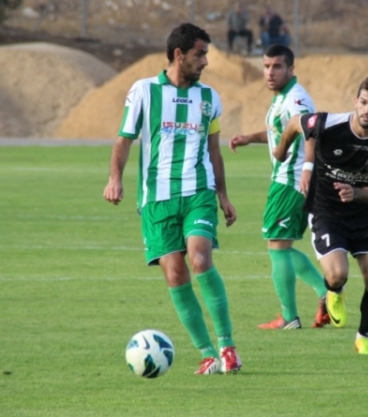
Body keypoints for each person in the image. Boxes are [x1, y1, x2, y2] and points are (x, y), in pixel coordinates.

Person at [103, 23, 242, 375]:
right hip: (156, 199)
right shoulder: (143, 91)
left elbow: (214, 150)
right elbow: (124, 139)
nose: (206, 61)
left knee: (199, 258)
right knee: (176, 274)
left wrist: (223, 195)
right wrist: (115, 179)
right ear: (179, 54)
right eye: (200, 54)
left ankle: (228, 348)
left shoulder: (209, 98)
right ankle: (207, 354)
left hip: (198, 192)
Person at [273, 75, 368, 354]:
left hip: (365, 217)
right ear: (355, 101)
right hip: (326, 211)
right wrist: (281, 151)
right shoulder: (328, 123)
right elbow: (295, 123)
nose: (367, 110)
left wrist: (355, 193)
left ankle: (364, 337)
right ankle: (334, 290)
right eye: (363, 102)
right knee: (337, 274)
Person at [228, 44, 329, 330]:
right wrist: (249, 138)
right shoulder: (282, 98)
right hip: (286, 180)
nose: (270, 72)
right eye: (266, 66)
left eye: (277, 66)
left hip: (291, 181)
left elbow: (310, 131)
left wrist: (307, 169)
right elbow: (281, 132)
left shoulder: (296, 99)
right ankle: (326, 293)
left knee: (277, 246)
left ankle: (290, 316)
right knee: (279, 246)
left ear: (290, 69)